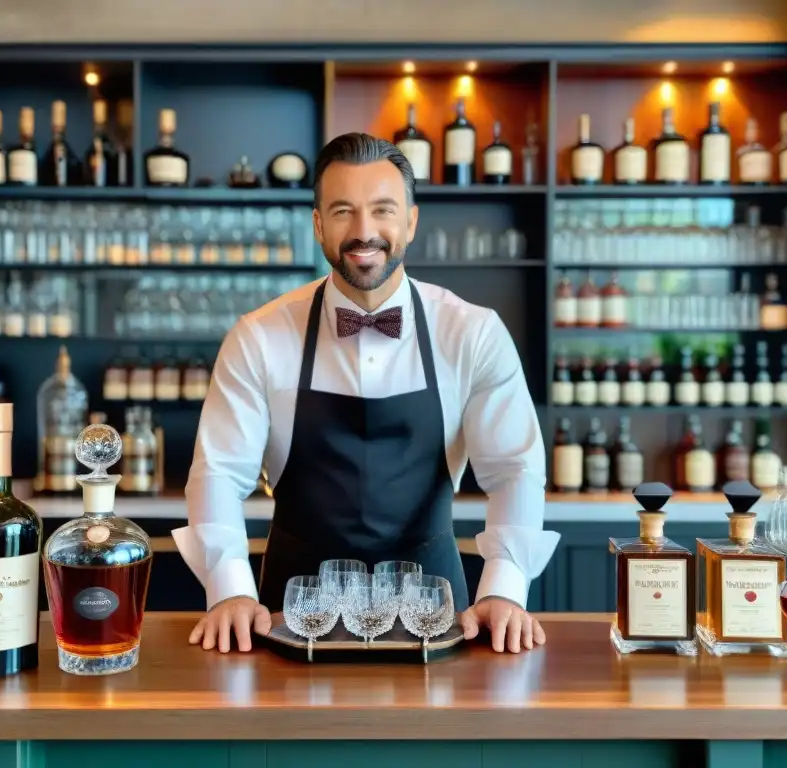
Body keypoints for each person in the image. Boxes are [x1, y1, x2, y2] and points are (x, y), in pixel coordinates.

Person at [173, 132, 558, 655]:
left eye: (382, 210)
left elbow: (514, 469)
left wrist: (506, 591)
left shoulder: (472, 333)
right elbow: (218, 471)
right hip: (292, 614)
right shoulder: (259, 336)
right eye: (342, 211)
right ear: (317, 225)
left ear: (411, 222)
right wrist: (229, 592)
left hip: (435, 614)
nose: (363, 231)